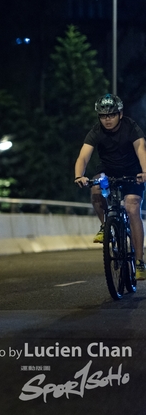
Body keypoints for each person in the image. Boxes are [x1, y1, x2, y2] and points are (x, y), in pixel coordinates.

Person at [74, 93, 146, 280]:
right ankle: (105, 226)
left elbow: (141, 148)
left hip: (132, 172)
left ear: (120, 114)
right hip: (108, 170)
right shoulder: (96, 131)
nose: (107, 120)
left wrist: (145, 171)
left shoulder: (131, 127)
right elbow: (83, 156)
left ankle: (139, 261)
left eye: (111, 115)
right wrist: (79, 175)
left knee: (132, 207)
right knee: (96, 189)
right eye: (103, 116)